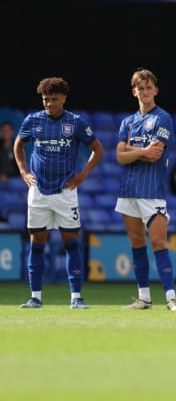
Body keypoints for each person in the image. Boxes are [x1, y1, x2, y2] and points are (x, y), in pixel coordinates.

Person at [14, 77, 104, 309]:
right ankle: (35, 297)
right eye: (46, 100)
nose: (49, 104)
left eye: (54, 99)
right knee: (37, 243)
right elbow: (18, 145)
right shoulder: (33, 120)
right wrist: (24, 172)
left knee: (71, 243)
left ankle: (76, 297)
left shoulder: (75, 122)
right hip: (39, 192)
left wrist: (82, 176)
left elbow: (97, 149)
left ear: (64, 98)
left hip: (66, 191)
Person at [115, 68, 176, 311]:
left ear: (155, 89)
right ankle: (144, 298)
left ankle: (171, 298)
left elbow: (155, 155)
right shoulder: (128, 122)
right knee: (136, 243)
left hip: (152, 190)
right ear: (134, 92)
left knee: (158, 243)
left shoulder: (162, 117)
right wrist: (141, 152)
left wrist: (134, 152)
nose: (144, 92)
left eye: (148, 87)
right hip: (129, 190)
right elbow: (119, 157)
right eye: (140, 88)